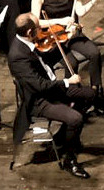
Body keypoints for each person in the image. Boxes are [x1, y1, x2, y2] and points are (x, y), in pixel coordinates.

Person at [8, 12, 98, 178]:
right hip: (39, 100)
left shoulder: (28, 43)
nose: (41, 29)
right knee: (75, 119)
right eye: (38, 27)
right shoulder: (18, 56)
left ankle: (64, 136)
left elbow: (47, 60)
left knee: (90, 94)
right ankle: (69, 160)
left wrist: (68, 37)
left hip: (51, 88)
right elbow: (39, 87)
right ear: (29, 33)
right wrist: (67, 82)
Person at [26, 0, 104, 94]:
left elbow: (80, 11)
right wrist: (61, 20)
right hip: (53, 38)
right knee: (72, 63)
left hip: (72, 33)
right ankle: (71, 95)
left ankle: (96, 91)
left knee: (94, 53)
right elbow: (36, 22)